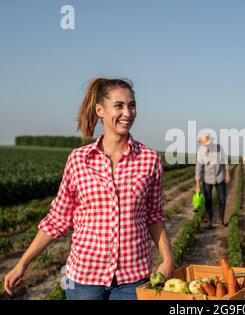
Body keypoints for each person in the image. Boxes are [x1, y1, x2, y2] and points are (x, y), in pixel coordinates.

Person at [4, 78, 174, 300]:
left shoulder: (149, 159)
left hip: (133, 278)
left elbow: (154, 216)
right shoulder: (78, 160)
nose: (128, 113)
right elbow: (58, 219)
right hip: (84, 279)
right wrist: (22, 264)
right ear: (100, 110)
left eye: (132, 105)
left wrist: (168, 259)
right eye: (119, 105)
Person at [195, 134, 231, 228]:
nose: (207, 145)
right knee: (208, 200)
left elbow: (225, 161)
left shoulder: (219, 148)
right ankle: (209, 222)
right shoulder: (201, 152)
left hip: (220, 176)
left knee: (222, 199)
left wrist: (227, 173)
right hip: (207, 178)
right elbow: (198, 168)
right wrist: (197, 184)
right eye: (205, 144)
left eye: (208, 143)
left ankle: (221, 221)